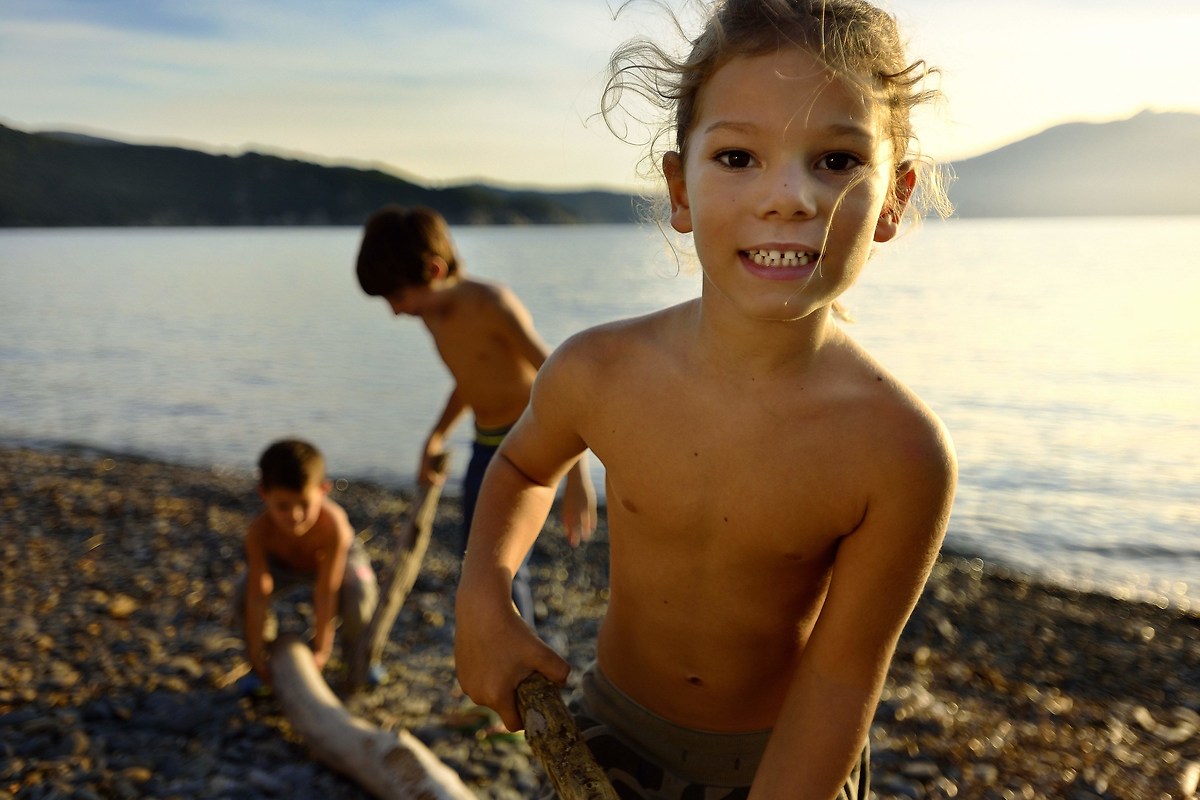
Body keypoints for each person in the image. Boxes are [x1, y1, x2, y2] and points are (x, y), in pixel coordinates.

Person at [454, 0, 958, 797]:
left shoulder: (897, 452)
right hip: (610, 731)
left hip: (786, 764)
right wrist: (483, 593)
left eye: (835, 160)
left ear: (893, 197)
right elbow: (519, 467)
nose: (788, 197)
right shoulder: (600, 370)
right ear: (678, 187)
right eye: (737, 158)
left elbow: (840, 680)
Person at [355, 205, 597, 627]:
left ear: (433, 269)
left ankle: (518, 655)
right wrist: (436, 435)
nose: (395, 311)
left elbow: (560, 382)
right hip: (486, 446)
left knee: (500, 562)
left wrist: (578, 479)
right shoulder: (432, 316)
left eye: (397, 297)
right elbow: (468, 380)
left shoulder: (491, 304)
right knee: (477, 555)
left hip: (530, 445)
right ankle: (505, 645)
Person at [235, 438, 381, 692]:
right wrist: (255, 649)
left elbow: (327, 589)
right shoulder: (259, 532)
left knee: (361, 592)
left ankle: (360, 661)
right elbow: (259, 591)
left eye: (304, 504)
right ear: (264, 495)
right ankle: (262, 664)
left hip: (334, 562)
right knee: (242, 592)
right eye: (282, 506)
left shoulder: (333, 525)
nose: (294, 515)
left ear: (323, 490)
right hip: (282, 565)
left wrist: (322, 649)